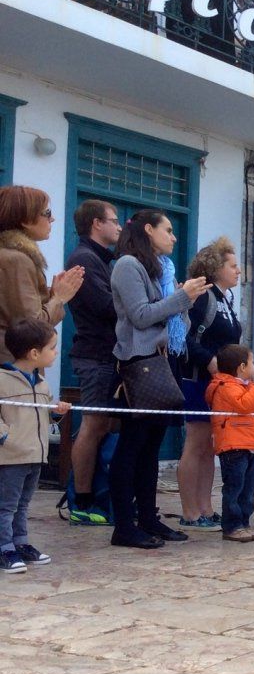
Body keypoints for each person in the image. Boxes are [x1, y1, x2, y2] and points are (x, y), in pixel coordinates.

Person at [108, 210, 211, 549]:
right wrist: (181, 298)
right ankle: (124, 525)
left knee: (151, 447)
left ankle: (149, 518)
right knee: (132, 446)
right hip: (138, 364)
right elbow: (140, 316)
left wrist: (184, 300)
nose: (174, 236)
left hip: (161, 361)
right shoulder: (128, 265)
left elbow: (171, 320)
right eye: (168, 230)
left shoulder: (157, 269)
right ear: (148, 230)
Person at [176, 237, 242, 531]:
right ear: (216, 268)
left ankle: (206, 507)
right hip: (198, 379)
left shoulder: (226, 299)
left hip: (220, 383)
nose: (238, 271)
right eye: (232, 265)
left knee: (209, 447)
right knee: (195, 443)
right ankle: (190, 511)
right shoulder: (203, 297)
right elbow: (184, 336)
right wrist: (208, 360)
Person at [66, 200, 122, 525]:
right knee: (94, 424)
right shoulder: (84, 259)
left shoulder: (101, 259)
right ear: (97, 224)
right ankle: (82, 500)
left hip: (107, 355)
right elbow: (106, 307)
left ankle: (99, 496)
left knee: (106, 425)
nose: (119, 226)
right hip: (95, 355)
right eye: (113, 220)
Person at [0, 319, 70, 573]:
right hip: (12, 456)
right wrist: (6, 437)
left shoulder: (41, 383)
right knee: (6, 505)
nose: (56, 352)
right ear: (34, 353)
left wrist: (55, 413)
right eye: (52, 348)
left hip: (35, 455)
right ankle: (4, 548)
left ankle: (20, 543)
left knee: (23, 504)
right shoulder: (2, 380)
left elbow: (42, 416)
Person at [0, 185, 84, 364]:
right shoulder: (16, 260)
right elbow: (30, 328)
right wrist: (59, 298)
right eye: (47, 213)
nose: (52, 219)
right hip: (13, 366)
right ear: (25, 220)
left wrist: (50, 294)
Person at [205, 344, 254, 542]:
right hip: (233, 446)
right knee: (234, 488)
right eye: (253, 362)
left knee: (248, 490)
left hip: (249, 445)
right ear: (242, 367)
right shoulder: (225, 387)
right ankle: (232, 526)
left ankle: (244, 523)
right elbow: (245, 405)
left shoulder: (247, 386)